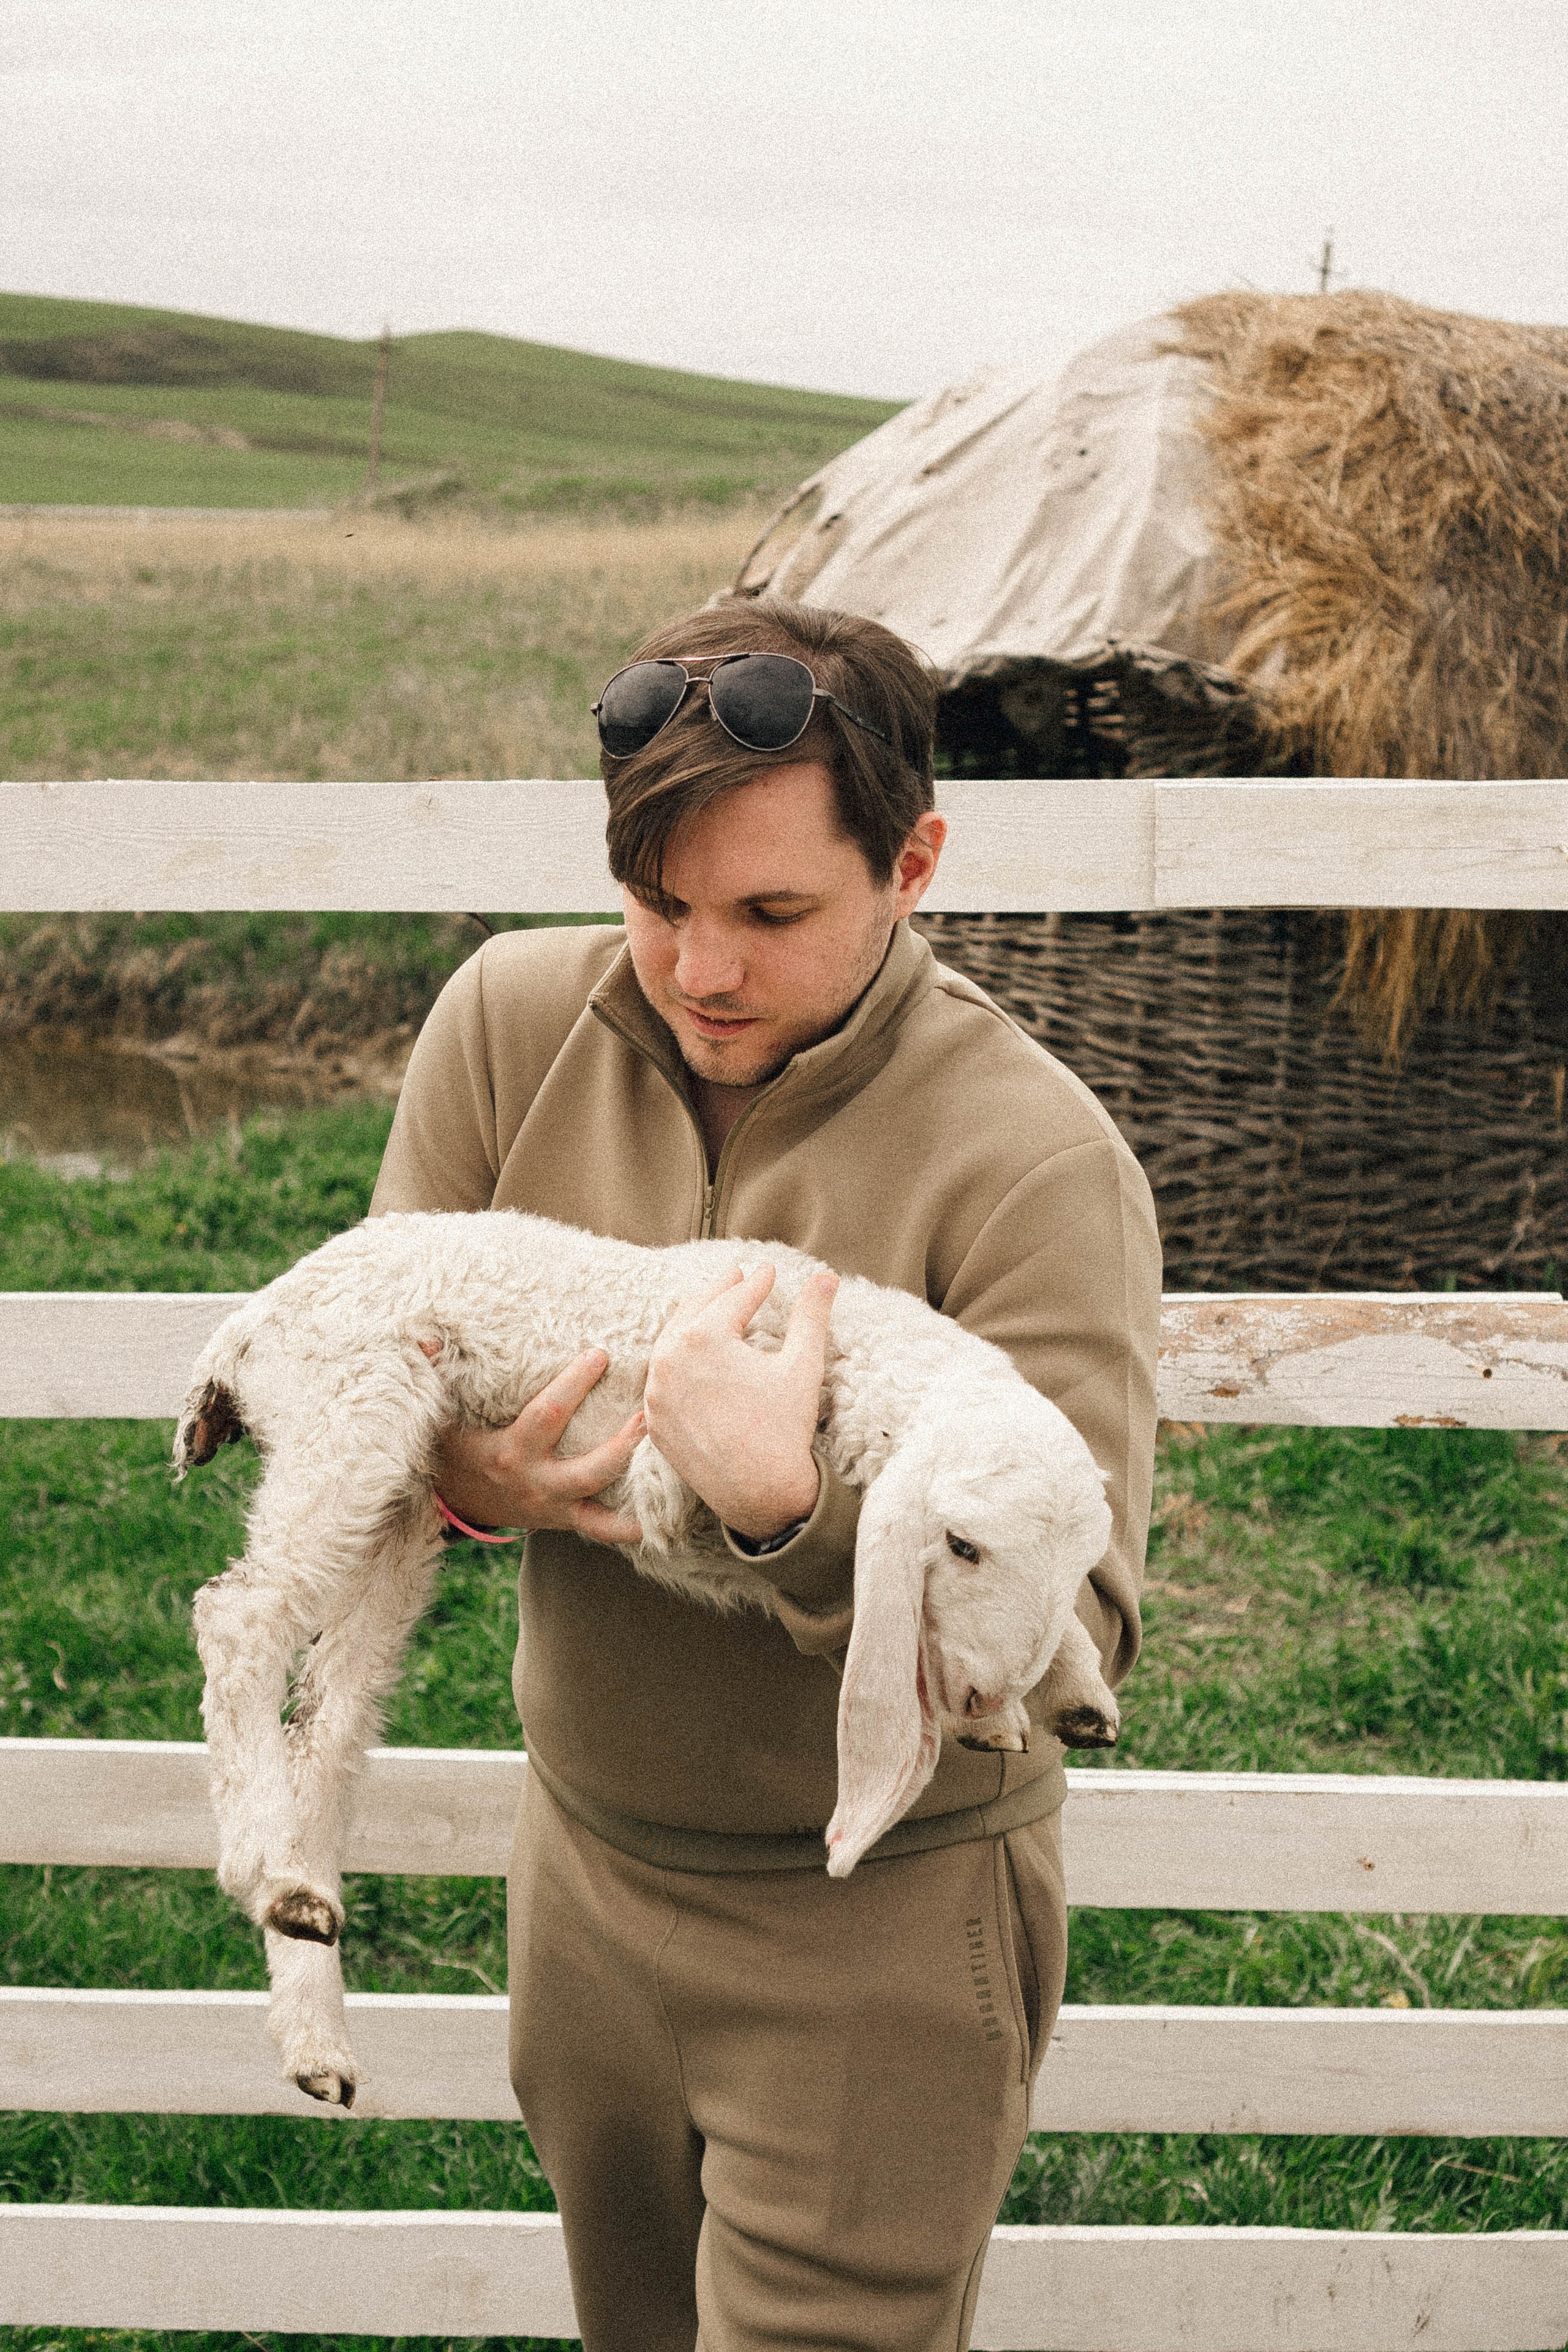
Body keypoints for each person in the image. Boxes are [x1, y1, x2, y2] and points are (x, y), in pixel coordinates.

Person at [369, 596, 1161, 2352]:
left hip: (873, 1939)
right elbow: (379, 1353)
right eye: (656, 904)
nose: (699, 968)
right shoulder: (507, 1024)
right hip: (583, 1874)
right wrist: (472, 1470)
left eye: (771, 913)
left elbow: (1070, 1630)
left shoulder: (1035, 1163)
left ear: (915, 862)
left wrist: (787, 1525)